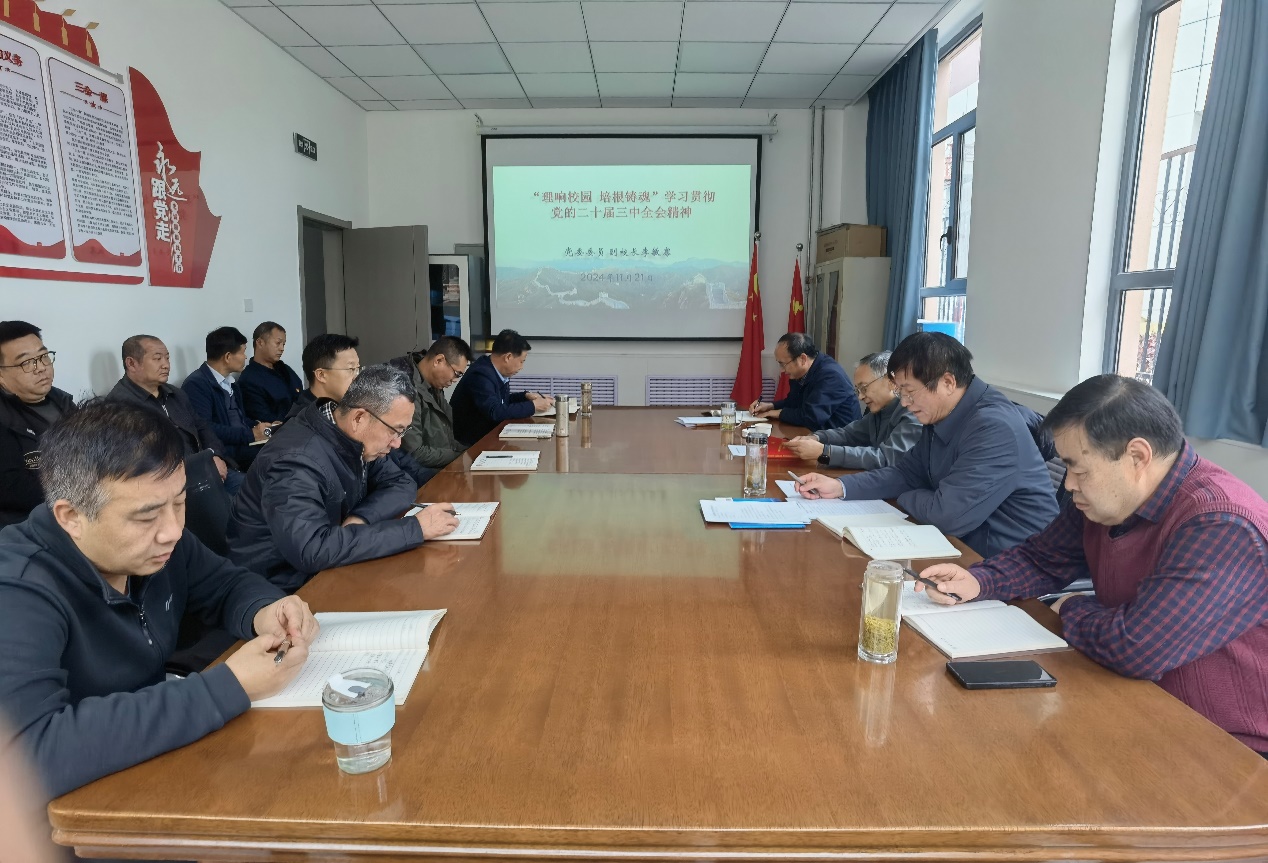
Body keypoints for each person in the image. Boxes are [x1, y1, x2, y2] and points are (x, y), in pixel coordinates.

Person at [916, 375, 1268, 758]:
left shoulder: (1223, 525)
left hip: (1225, 746)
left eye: (1079, 470)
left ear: (1137, 457)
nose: (1068, 484)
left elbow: (1137, 647)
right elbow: (1043, 558)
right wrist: (979, 580)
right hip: (1127, 697)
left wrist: (1071, 606)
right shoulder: (1108, 498)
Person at [0, 401, 318, 801]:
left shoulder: (161, 546)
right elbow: (27, 755)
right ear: (70, 516)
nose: (173, 530)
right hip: (80, 802)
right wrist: (227, 687)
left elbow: (226, 584)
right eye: (146, 516)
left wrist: (266, 610)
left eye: (180, 502)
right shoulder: (17, 590)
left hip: (156, 758)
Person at [795, 332, 1058, 557]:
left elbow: (947, 516)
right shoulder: (943, 412)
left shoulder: (993, 427)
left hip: (1013, 564)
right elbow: (907, 472)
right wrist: (840, 486)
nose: (904, 403)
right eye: (900, 392)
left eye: (909, 392)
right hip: (962, 547)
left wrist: (905, 495)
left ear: (947, 382)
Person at [228, 365, 459, 591]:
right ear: (359, 418)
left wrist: (361, 518)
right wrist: (415, 529)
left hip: (329, 564)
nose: (397, 443)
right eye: (394, 430)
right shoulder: (295, 461)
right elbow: (312, 550)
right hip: (281, 586)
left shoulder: (354, 437)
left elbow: (401, 482)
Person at [290, 333, 436, 487]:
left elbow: (397, 467)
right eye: (350, 369)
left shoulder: (350, 407)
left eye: (358, 369)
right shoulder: (303, 425)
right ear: (321, 375)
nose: (357, 377)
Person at [108, 334, 243, 495]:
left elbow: (202, 427)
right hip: (175, 485)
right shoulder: (119, 406)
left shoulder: (176, 394)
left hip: (207, 468)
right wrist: (200, 467)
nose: (166, 365)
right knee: (235, 504)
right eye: (157, 359)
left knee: (257, 488)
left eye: (167, 358)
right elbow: (144, 461)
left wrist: (215, 455)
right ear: (131, 363)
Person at [784, 350, 921, 469]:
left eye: (864, 388)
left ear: (891, 382)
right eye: (858, 390)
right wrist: (816, 437)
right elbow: (848, 434)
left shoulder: (913, 412)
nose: (860, 396)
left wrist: (825, 452)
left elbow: (886, 458)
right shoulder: (878, 411)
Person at [0, 321, 75, 527]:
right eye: (26, 362)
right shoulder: (4, 420)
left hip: (77, 513)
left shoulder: (64, 402)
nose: (41, 368)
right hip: (28, 527)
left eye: (43, 356)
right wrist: (81, 483)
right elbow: (10, 487)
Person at [183, 326, 275, 470]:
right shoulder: (196, 385)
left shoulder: (231, 383)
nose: (245, 357)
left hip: (244, 443)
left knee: (285, 443)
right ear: (227, 357)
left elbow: (239, 418)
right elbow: (206, 428)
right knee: (278, 455)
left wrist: (262, 426)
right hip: (228, 452)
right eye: (243, 352)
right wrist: (250, 435)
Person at [451, 329, 553, 446]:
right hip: (469, 444)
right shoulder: (481, 375)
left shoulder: (493, 370)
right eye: (521, 361)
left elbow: (502, 401)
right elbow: (495, 411)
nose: (522, 367)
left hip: (488, 436)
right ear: (508, 357)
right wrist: (533, 406)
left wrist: (525, 396)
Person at [388, 335, 473, 469]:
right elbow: (415, 452)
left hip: (441, 466)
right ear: (439, 360)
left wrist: (470, 451)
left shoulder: (434, 386)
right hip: (421, 473)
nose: (455, 380)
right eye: (456, 374)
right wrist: (459, 456)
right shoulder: (406, 391)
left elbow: (447, 440)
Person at [749, 333, 860, 430]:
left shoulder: (830, 376)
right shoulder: (801, 372)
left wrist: (775, 413)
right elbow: (793, 402)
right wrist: (770, 406)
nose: (782, 370)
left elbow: (812, 417)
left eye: (783, 364)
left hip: (841, 441)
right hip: (815, 434)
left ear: (802, 359)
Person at [238, 321, 303, 422]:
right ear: (260, 342)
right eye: (278, 343)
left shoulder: (284, 369)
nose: (282, 348)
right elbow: (265, 419)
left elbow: (301, 396)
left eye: (283, 344)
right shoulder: (249, 380)